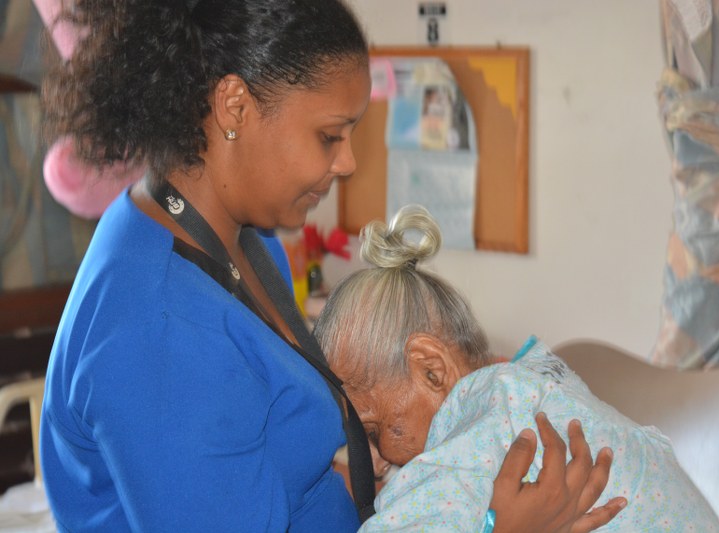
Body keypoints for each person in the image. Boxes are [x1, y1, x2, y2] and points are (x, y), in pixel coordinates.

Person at [38, 1, 625, 531]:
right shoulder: (161, 333)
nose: (347, 163)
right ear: (234, 105)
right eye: (329, 136)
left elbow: (271, 467)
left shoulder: (241, 239)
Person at [313, 204, 719, 532]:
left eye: (373, 432)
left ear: (432, 371)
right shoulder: (533, 383)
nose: (377, 462)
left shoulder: (474, 437)